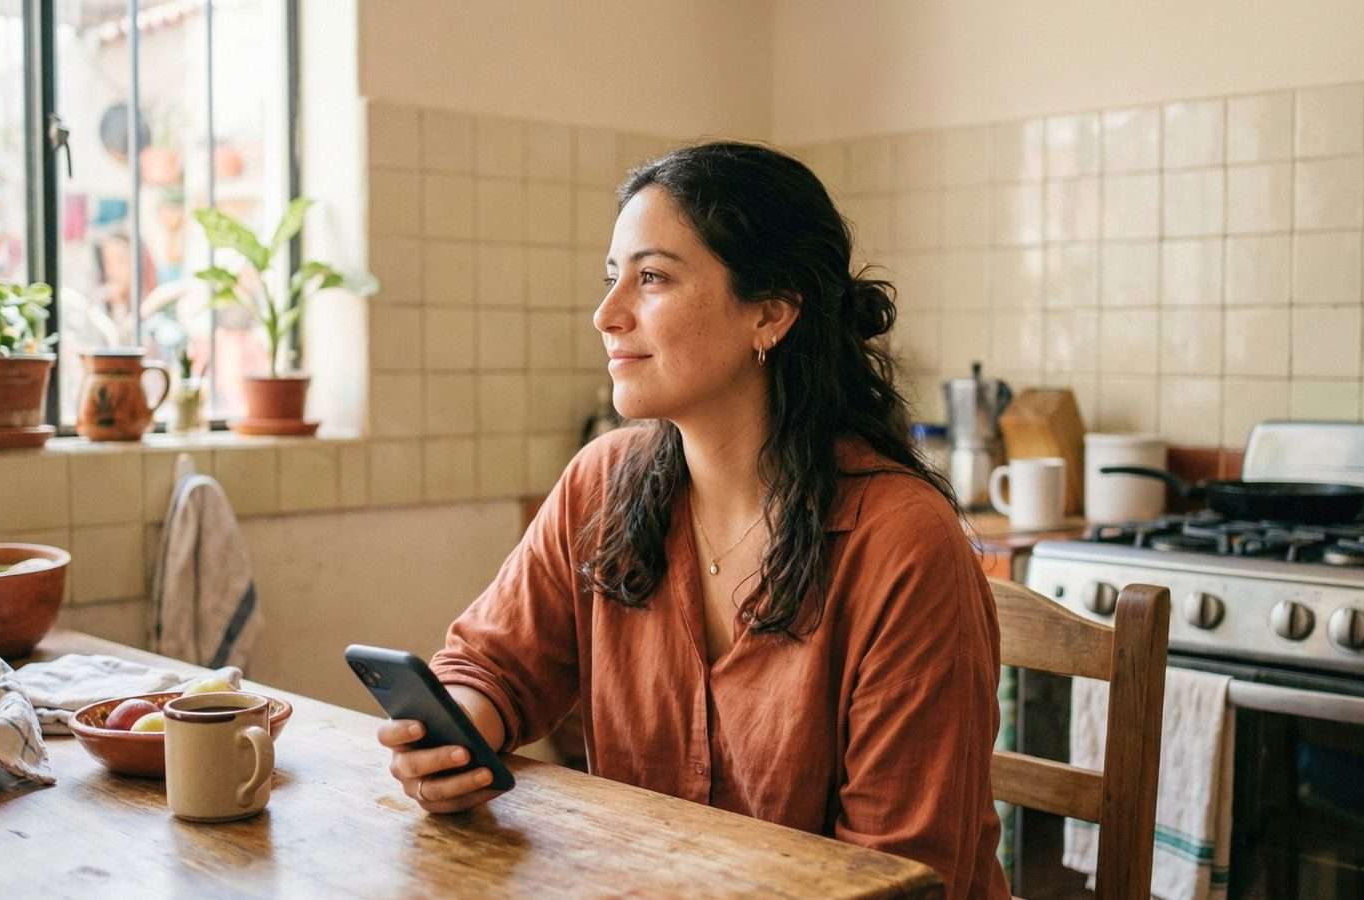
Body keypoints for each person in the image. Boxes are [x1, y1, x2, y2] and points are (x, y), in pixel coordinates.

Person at [377, 141, 1009, 897]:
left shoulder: (902, 542)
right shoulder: (600, 485)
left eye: (652, 278)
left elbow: (897, 875)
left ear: (769, 313)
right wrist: (458, 734)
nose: (606, 314)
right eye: (613, 279)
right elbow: (493, 665)